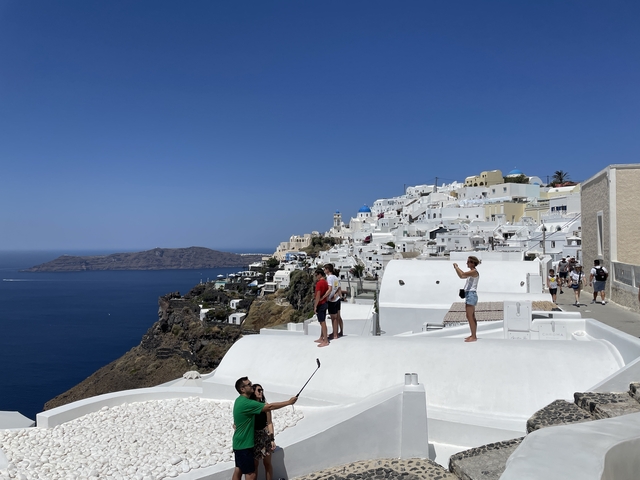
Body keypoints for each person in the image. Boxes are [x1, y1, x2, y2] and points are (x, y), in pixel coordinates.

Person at [232, 378, 297, 480]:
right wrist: (288, 402)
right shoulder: (246, 403)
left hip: (239, 443)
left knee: (238, 470)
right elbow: (269, 406)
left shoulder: (239, 400)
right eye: (249, 384)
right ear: (242, 389)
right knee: (251, 474)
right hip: (245, 445)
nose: (251, 385)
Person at [453, 256, 481, 342]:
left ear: (472, 263)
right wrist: (457, 269)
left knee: (470, 316)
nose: (467, 263)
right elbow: (462, 275)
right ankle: (473, 334)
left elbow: (462, 275)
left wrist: (456, 267)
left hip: (471, 295)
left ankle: (473, 336)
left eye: (468, 261)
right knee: (471, 316)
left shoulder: (474, 272)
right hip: (470, 294)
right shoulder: (472, 273)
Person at [250, 384, 275, 480]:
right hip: (254, 437)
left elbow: (269, 423)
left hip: (264, 436)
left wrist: (272, 439)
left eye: (262, 390)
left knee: (267, 463)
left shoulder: (265, 406)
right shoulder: (250, 407)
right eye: (259, 390)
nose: (261, 392)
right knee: (255, 465)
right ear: (253, 392)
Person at [323, 263, 343, 339]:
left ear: (328, 270)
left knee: (333, 318)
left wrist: (324, 297)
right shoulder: (335, 277)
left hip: (332, 300)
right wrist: (337, 295)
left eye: (325, 269)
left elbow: (330, 288)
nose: (324, 270)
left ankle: (335, 334)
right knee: (337, 317)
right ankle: (336, 332)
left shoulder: (329, 278)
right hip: (337, 300)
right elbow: (338, 288)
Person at [313, 268, 330, 347]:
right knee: (322, 322)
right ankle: (321, 337)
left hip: (321, 304)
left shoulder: (319, 283)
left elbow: (318, 295)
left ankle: (325, 340)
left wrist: (315, 306)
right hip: (325, 303)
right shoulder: (326, 282)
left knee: (322, 322)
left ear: (320, 274)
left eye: (316, 275)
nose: (316, 276)